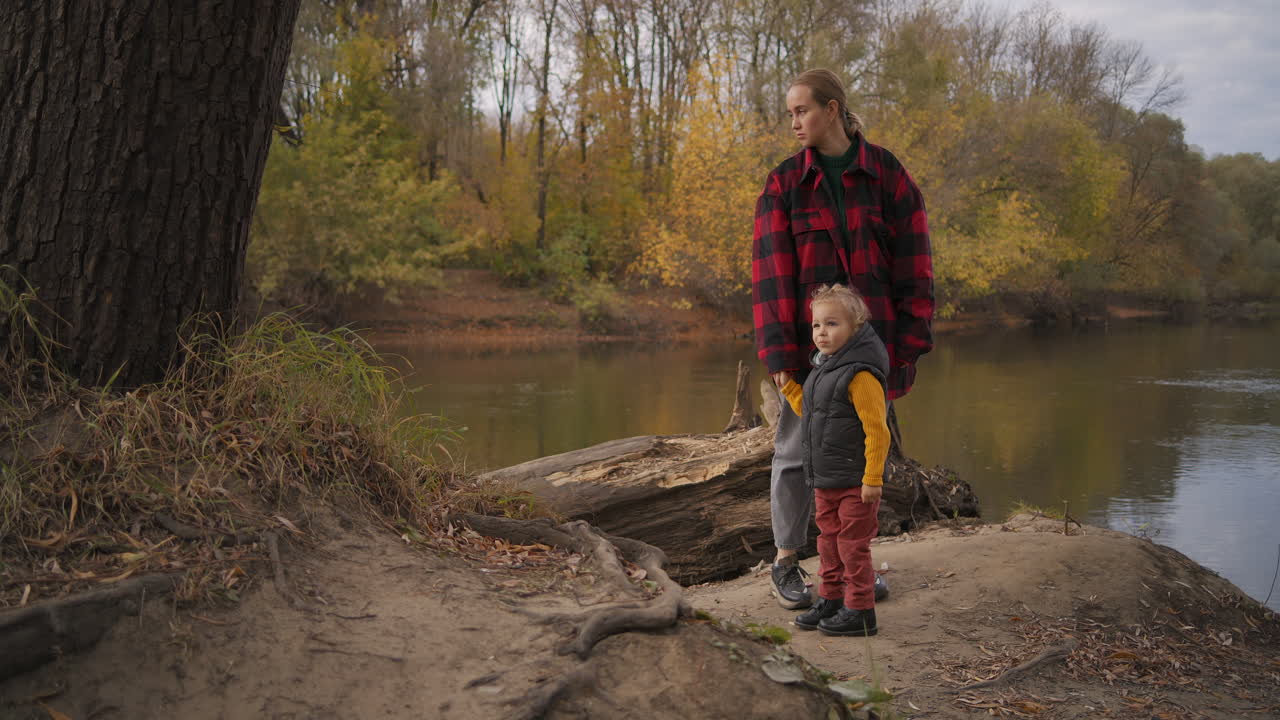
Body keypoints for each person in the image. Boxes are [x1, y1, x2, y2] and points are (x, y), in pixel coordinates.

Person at [753, 69, 934, 610]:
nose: (793, 123)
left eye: (801, 111)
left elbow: (916, 267)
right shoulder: (784, 184)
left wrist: (905, 348)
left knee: (864, 457)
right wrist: (782, 355)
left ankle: (854, 565)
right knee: (792, 453)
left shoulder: (887, 175)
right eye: (789, 113)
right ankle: (786, 562)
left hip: (871, 353)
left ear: (832, 110)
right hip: (810, 352)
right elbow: (769, 277)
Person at [779, 284, 887, 636]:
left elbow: (877, 431)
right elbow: (812, 416)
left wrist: (873, 478)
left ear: (855, 328)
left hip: (856, 482)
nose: (821, 332)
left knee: (852, 547)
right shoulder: (822, 370)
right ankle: (833, 598)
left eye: (832, 324)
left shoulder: (861, 375)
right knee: (827, 542)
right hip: (825, 481)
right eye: (816, 325)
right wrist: (792, 390)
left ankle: (861, 610)